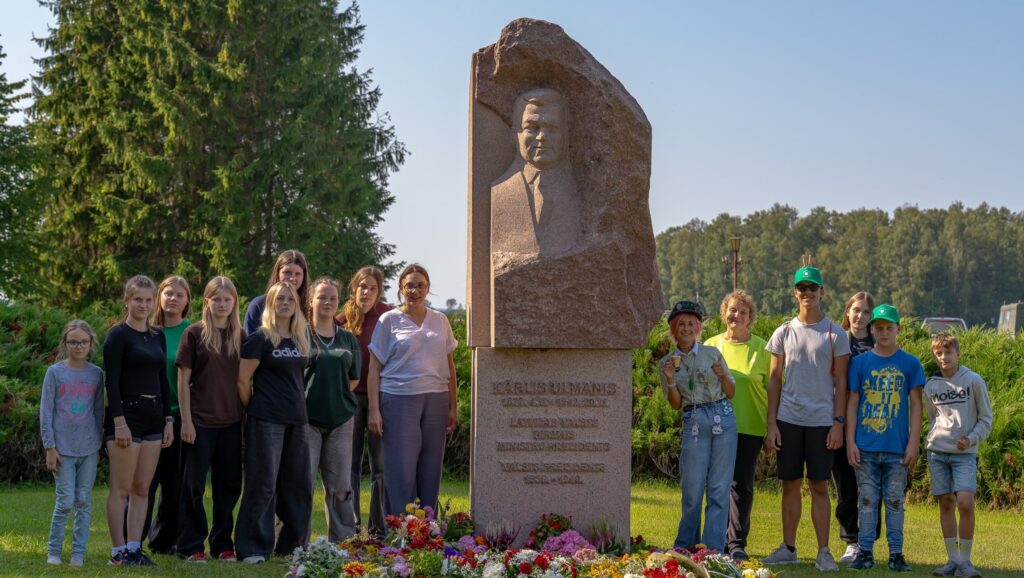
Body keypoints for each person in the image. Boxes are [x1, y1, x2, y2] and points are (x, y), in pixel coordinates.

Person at [762, 264, 850, 572]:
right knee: (789, 484)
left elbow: (842, 382)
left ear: (822, 292)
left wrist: (838, 423)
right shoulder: (783, 332)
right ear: (795, 293)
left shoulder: (836, 334)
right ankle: (788, 548)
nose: (807, 293)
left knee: (820, 486)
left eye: (813, 288)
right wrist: (771, 423)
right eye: (802, 288)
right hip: (788, 419)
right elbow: (774, 380)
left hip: (822, 421)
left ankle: (824, 552)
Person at [367, 264, 458, 516]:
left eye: (420, 285)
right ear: (400, 288)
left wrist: (453, 405)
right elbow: (374, 369)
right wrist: (374, 411)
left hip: (436, 400)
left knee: (430, 469)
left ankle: (427, 530)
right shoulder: (389, 320)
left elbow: (449, 366)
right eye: (409, 285)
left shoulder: (440, 320)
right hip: (398, 399)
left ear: (428, 289)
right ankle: (400, 534)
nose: (415, 290)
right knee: (401, 471)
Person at [235, 281, 312, 564]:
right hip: (266, 420)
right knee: (262, 483)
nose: (285, 303)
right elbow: (243, 382)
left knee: (298, 484)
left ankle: (291, 546)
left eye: (290, 299)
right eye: (279, 298)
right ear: (270, 303)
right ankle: (253, 548)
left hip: (297, 420)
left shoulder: (300, 338)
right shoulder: (260, 339)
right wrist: (253, 408)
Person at [845, 304, 925, 572]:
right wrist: (851, 441)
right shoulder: (860, 363)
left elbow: (916, 406)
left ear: (898, 329)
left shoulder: (910, 363)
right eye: (878, 328)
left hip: (897, 448)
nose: (884, 332)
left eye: (889, 327)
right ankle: (865, 552)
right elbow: (853, 403)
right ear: (871, 330)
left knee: (894, 501)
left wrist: (914, 442)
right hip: (866, 445)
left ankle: (896, 554)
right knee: (866, 500)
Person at [103, 275, 175, 566]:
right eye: (137, 299)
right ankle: (118, 552)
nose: (143, 305)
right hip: (126, 417)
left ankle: (134, 547)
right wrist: (118, 421)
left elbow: (163, 379)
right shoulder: (117, 335)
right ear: (127, 300)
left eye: (148, 300)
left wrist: (168, 418)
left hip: (154, 418)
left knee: (142, 488)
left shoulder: (157, 336)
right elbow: (112, 382)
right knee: (121, 488)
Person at [176, 276, 245, 562]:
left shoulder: (242, 337)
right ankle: (191, 545)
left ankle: (221, 544)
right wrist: (186, 421)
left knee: (228, 487)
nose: (222, 304)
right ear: (207, 301)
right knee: (192, 485)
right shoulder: (193, 334)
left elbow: (247, 382)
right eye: (217, 299)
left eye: (227, 299)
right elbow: (183, 381)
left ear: (234, 303)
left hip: (231, 423)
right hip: (200, 423)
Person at [658, 300, 736, 553]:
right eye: (681, 323)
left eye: (691, 322)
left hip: (722, 418)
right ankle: (685, 546)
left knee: (718, 488)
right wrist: (670, 382)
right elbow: (675, 404)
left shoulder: (712, 353)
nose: (686, 327)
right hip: (693, 420)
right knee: (692, 488)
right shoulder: (667, 364)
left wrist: (723, 375)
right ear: (673, 329)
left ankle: (712, 550)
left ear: (699, 327)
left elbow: (731, 392)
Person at [704, 291, 770, 560]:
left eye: (743, 312)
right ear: (724, 313)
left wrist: (772, 427)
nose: (737, 316)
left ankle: (737, 542)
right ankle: (714, 539)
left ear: (750, 318)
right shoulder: (711, 346)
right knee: (717, 484)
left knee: (741, 485)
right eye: (732, 310)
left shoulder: (763, 349)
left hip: (749, 425)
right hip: (716, 426)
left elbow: (774, 389)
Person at [924, 333, 992, 578]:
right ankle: (952, 561)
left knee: (965, 502)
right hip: (937, 453)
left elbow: (986, 419)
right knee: (946, 504)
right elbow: (933, 418)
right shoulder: (931, 385)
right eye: (939, 353)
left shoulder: (973, 381)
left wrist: (971, 438)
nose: (944, 357)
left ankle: (965, 562)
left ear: (958, 353)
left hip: (964, 454)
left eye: (948, 352)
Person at [40, 320, 104, 567]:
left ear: (91, 344)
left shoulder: (96, 374)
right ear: (65, 344)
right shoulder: (54, 373)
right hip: (62, 448)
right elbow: (46, 412)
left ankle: (78, 554)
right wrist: (50, 447)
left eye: (83, 342)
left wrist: (97, 446)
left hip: (88, 447)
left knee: (84, 501)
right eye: (73, 342)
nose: (79, 346)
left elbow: (99, 412)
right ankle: (54, 551)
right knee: (65, 501)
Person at [491, 88, 581, 258]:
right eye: (532, 127)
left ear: (566, 135)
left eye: (552, 128)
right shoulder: (499, 191)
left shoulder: (583, 194)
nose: (542, 136)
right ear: (515, 133)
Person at [337, 266, 392, 537]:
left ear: (379, 291)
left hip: (379, 399)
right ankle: (352, 525)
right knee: (350, 465)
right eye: (362, 287)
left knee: (380, 466)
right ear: (354, 287)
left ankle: (378, 528)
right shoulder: (343, 318)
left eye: (372, 288)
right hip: (349, 399)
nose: (366, 292)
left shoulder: (389, 316)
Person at [306, 277, 361, 541]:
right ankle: (295, 541)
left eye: (332, 298)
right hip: (306, 420)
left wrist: (334, 395)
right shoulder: (299, 334)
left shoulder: (348, 339)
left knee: (340, 486)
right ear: (310, 300)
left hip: (340, 419)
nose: (327, 302)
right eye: (321, 297)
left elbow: (354, 378)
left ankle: (342, 542)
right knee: (302, 484)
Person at [143, 275, 191, 554]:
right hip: (150, 416)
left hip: (181, 415)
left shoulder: (193, 331)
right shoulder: (147, 330)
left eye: (179, 295)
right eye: (168, 293)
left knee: (175, 484)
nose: (173, 298)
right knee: (145, 483)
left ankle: (164, 540)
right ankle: (131, 540)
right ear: (159, 297)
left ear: (187, 302)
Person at [834, 291, 877, 564]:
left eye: (865, 312)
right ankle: (851, 540)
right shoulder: (838, 342)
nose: (860, 316)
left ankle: (868, 541)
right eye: (856, 310)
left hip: (873, 424)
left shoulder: (880, 344)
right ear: (847, 313)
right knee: (846, 485)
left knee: (872, 487)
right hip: (840, 421)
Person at [243, 249, 309, 335]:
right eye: (287, 272)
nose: (292, 278)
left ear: (304, 276)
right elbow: (249, 344)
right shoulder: (259, 305)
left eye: (298, 274)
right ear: (277, 273)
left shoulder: (309, 306)